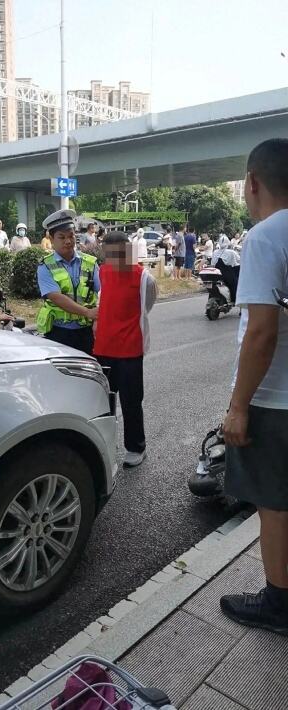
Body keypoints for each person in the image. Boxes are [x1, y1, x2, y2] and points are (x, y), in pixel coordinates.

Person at [220, 138, 288, 636]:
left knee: (275, 505)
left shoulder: (266, 237)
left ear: (252, 183)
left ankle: (278, 603)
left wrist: (239, 406)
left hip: (276, 403)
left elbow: (262, 330)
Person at [94, 231, 157, 468]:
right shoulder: (103, 271)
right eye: (111, 255)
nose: (116, 260)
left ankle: (136, 447)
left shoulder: (144, 278)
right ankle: (106, 447)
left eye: (121, 254)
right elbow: (103, 301)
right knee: (104, 403)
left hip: (130, 349)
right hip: (103, 347)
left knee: (131, 402)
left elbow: (146, 306)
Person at [37, 209, 99, 355]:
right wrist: (87, 312)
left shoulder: (90, 262)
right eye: (62, 237)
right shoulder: (45, 266)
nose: (68, 241)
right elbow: (56, 297)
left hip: (86, 332)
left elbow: (103, 291)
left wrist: (98, 318)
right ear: (51, 239)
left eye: (71, 236)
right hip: (59, 333)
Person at [211, 234, 240, 303]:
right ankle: (235, 300)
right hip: (228, 276)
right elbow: (239, 261)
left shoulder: (215, 252)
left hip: (217, 276)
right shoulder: (232, 252)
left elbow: (212, 264)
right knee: (236, 284)